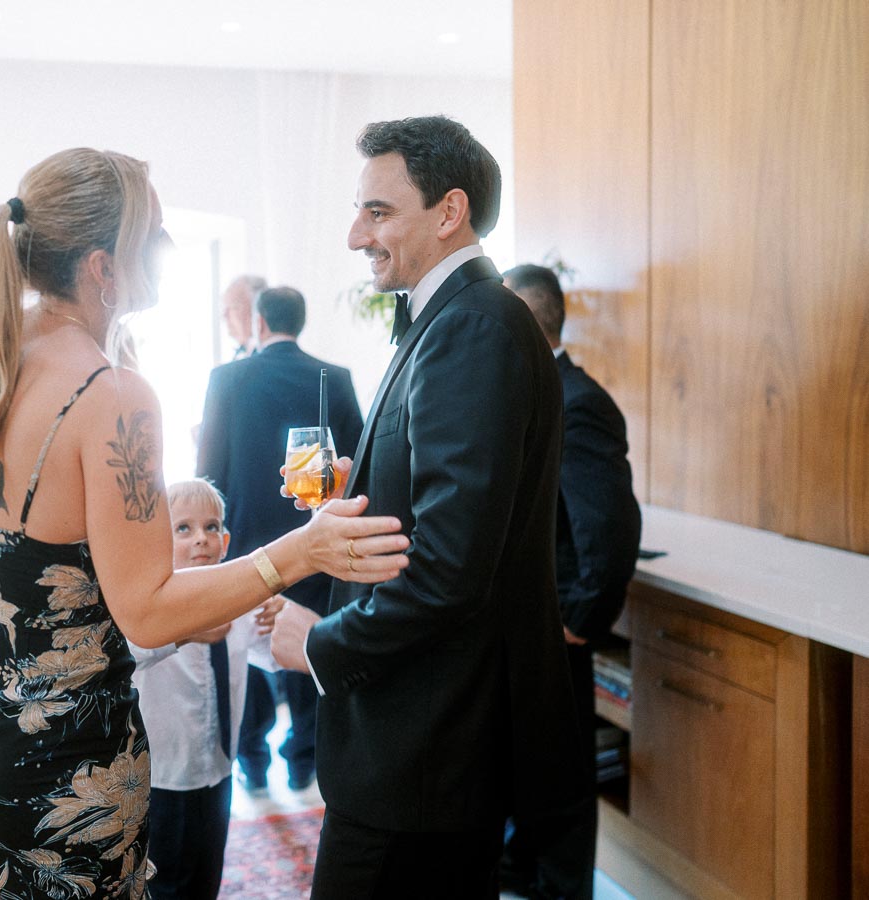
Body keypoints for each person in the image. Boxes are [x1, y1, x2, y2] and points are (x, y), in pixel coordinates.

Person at [0, 147, 409, 899]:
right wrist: (302, 548)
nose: (169, 250)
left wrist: (33, 538)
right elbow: (150, 611)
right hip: (64, 762)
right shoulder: (114, 395)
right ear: (104, 267)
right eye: (156, 234)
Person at [270, 116, 583, 898]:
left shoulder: (474, 327)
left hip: (425, 749)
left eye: (377, 212)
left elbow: (450, 571)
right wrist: (359, 492)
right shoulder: (459, 320)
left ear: (449, 213)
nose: (355, 236)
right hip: (426, 750)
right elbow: (453, 515)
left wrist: (322, 646)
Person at [501, 263, 642, 900]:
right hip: (520, 618)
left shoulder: (579, 403)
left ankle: (559, 887)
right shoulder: (527, 390)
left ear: (531, 319)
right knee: (527, 764)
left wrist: (580, 619)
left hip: (558, 622)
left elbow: (609, 530)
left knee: (559, 777)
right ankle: (521, 867)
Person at [197, 285, 364, 793]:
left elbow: (208, 472)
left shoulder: (226, 379)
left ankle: (251, 759)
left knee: (247, 652)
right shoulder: (333, 378)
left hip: (246, 542)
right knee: (303, 645)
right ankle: (302, 760)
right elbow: (356, 466)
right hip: (312, 537)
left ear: (260, 322)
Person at [130, 479, 282, 900]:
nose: (201, 538)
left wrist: (279, 615)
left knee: (206, 875)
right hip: (163, 779)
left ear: (226, 540)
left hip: (219, 769)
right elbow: (130, 653)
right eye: (184, 528)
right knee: (164, 883)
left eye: (212, 527)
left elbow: (272, 653)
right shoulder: (146, 606)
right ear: (159, 539)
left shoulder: (238, 598)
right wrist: (186, 631)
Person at [220, 274, 266, 360]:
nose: (224, 316)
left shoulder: (267, 358)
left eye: (234, 307)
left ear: (257, 311)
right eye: (225, 308)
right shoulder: (240, 355)